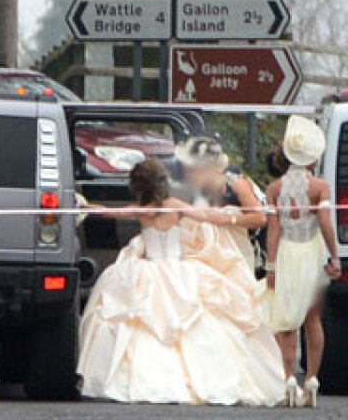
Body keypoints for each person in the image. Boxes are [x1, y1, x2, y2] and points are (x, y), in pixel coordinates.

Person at [78, 159, 285, 406]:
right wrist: (230, 216)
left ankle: (145, 376)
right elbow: (207, 216)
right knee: (192, 321)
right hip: (179, 270)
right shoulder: (174, 205)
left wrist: (83, 205)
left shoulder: (141, 210)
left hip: (148, 268)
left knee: (141, 319)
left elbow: (109, 212)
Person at [264, 115, 339, 407]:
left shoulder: (274, 189)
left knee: (286, 321)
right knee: (312, 318)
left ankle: (289, 378)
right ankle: (312, 379)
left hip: (286, 252)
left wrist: (270, 265)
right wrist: (334, 255)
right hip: (312, 251)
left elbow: (273, 230)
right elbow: (324, 221)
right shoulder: (320, 187)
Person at [176, 135, 267, 271]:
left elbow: (260, 218)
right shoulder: (194, 189)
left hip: (241, 250)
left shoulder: (236, 184)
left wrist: (223, 219)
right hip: (211, 253)